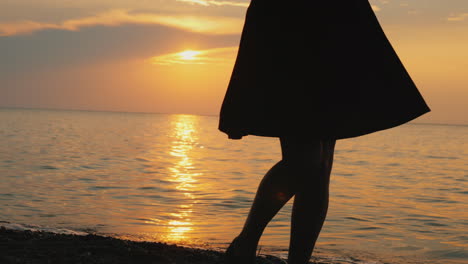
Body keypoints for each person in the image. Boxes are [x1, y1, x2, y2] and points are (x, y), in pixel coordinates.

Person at [218, 1, 430, 264]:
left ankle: (298, 260)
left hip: (337, 18)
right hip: (290, 20)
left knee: (321, 165)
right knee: (305, 160)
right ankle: (245, 242)